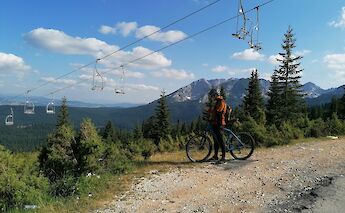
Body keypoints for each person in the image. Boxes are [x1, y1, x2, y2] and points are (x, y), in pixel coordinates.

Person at [208, 89, 227, 162]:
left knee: (220, 140)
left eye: (212, 96)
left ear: (215, 95)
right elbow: (214, 111)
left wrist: (212, 113)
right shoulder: (217, 102)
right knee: (215, 140)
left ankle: (224, 157)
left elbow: (218, 112)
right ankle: (215, 156)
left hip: (220, 123)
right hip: (215, 123)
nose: (211, 97)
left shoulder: (221, 102)